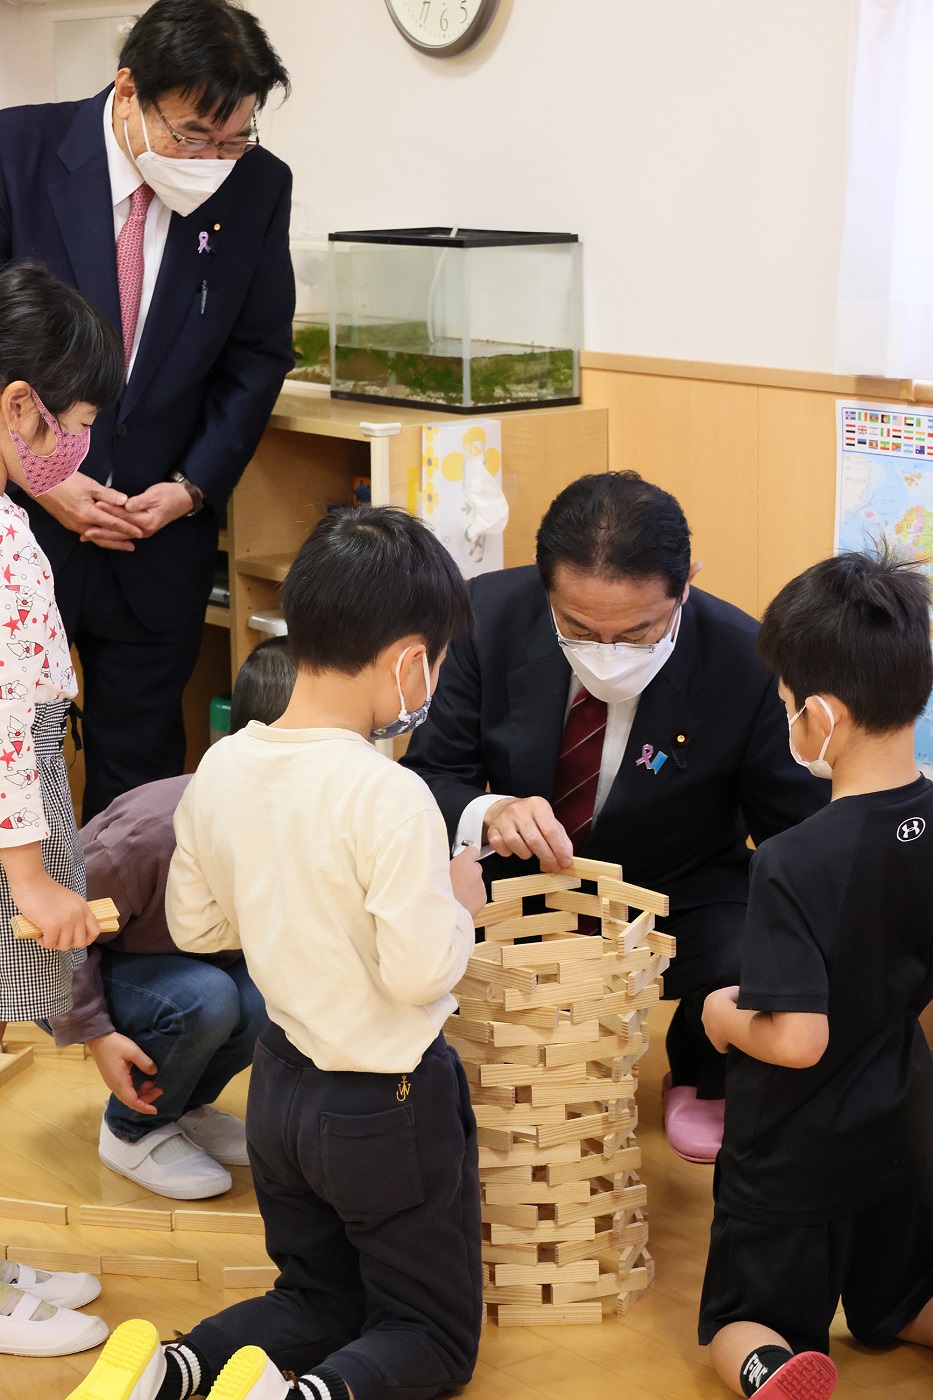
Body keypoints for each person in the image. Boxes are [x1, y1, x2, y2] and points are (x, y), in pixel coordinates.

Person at [68, 507, 486, 1400]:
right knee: (429, 1334)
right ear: (410, 659)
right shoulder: (392, 793)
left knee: (314, 1296)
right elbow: (420, 971)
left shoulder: (221, 764)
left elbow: (198, 927)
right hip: (385, 1104)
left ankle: (169, 1367)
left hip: (282, 1094)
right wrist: (459, 904)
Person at [402, 470, 828, 1162]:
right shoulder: (484, 616)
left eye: (637, 633)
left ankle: (701, 1070)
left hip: (677, 890)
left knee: (760, 938)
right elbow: (428, 776)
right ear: (545, 588)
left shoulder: (744, 659)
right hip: (520, 882)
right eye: (576, 628)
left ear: (685, 582)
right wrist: (489, 810)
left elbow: (796, 829)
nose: (606, 651)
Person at [0, 0, 295, 822]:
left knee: (143, 785)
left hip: (155, 535)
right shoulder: (16, 151)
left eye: (235, 138)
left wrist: (192, 488)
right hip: (21, 527)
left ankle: (130, 952)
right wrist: (44, 477)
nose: (213, 159)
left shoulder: (259, 188)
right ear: (129, 89)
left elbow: (258, 354)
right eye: (193, 137)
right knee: (17, 767)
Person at [699, 548, 933, 1399]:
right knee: (897, 1299)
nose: (786, 721)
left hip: (794, 1150)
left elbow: (797, 1040)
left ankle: (769, 1369)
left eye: (789, 707)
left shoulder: (793, 861)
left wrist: (720, 1016)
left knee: (737, 1320)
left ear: (824, 719)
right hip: (905, 1129)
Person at [45, 638, 295, 1201]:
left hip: (181, 963)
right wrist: (97, 1033)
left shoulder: (303, 825)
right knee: (204, 997)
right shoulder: (153, 831)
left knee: (263, 996)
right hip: (67, 966)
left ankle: (182, 1105)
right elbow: (53, 933)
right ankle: (131, 1131)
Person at [0, 261, 125, 1356]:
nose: (77, 446)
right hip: (9, 817)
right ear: (18, 406)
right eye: (72, 422)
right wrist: (30, 873)